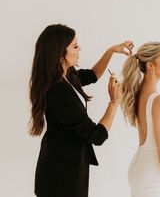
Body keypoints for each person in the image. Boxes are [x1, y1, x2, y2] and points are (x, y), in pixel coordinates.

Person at [28, 23, 134, 197]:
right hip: (59, 179)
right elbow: (97, 135)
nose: (80, 49)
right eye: (75, 46)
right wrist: (114, 103)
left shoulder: (67, 75)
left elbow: (92, 75)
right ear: (60, 55)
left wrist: (111, 51)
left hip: (66, 169)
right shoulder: (58, 91)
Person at [121, 42, 160, 197]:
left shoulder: (139, 95)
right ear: (150, 66)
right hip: (153, 176)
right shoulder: (158, 102)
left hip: (141, 169)